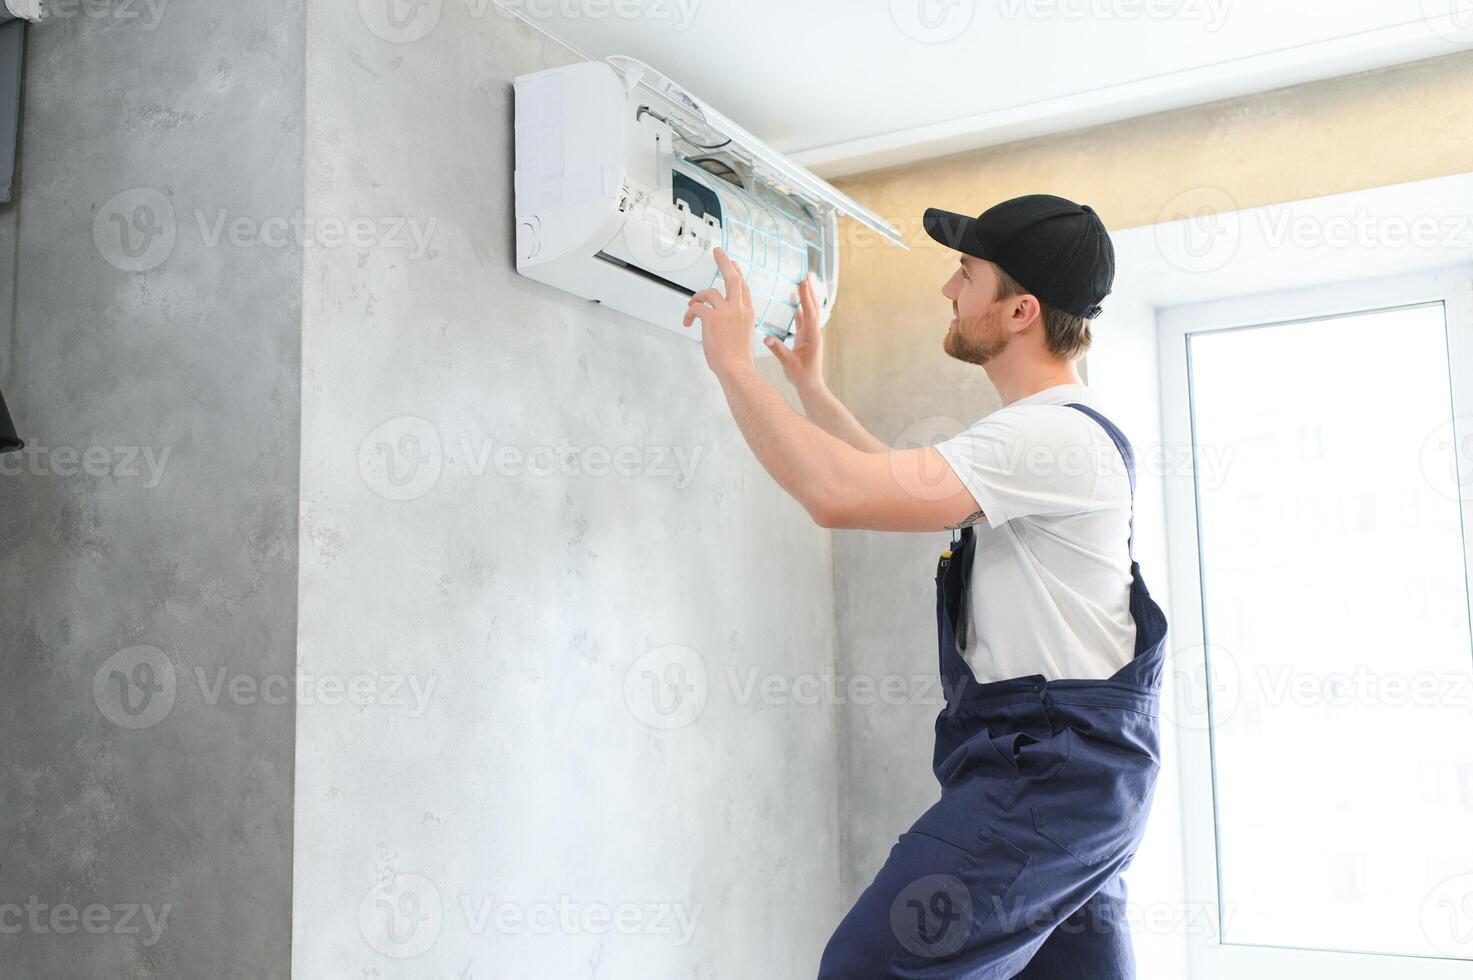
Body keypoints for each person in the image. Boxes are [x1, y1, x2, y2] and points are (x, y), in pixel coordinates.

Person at [683, 194, 1169, 979]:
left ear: (1019, 310)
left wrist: (733, 365)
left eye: (965, 274)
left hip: (1046, 780)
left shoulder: (1048, 436)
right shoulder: (1048, 432)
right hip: (1080, 787)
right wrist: (810, 387)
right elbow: (895, 479)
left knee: (870, 967)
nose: (948, 291)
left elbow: (838, 495)